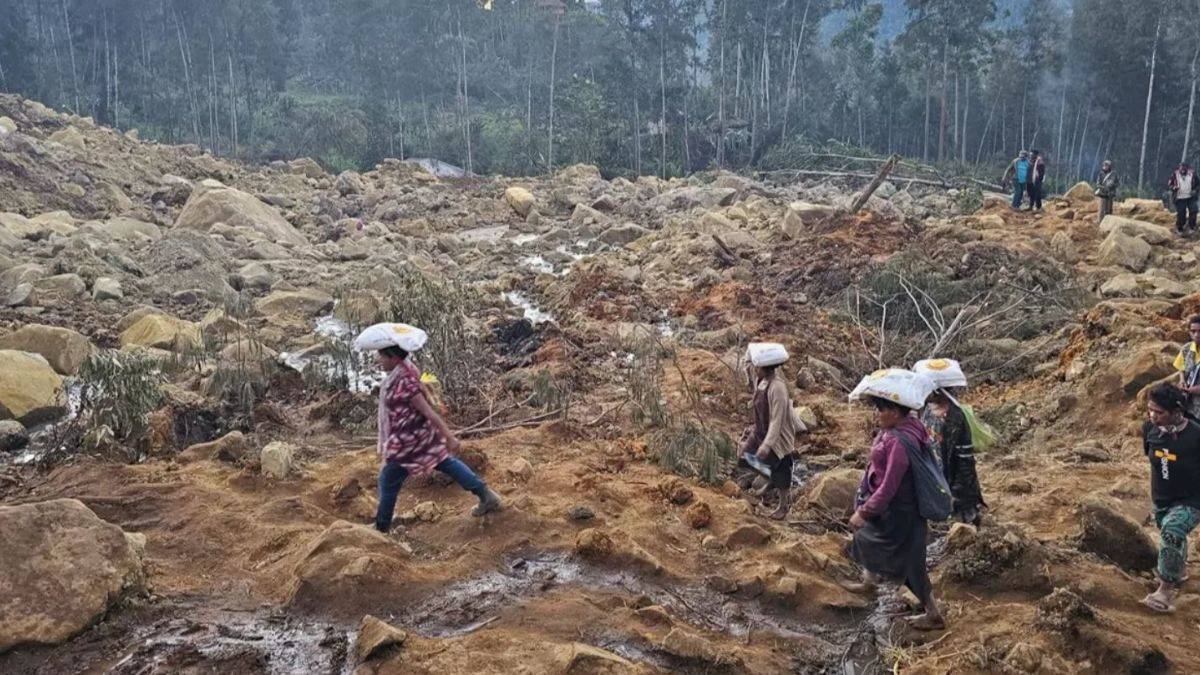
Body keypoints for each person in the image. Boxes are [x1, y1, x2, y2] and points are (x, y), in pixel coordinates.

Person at [363, 328, 502, 533]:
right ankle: (486, 495)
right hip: (420, 438)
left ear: (393, 357)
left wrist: (449, 436)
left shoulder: (405, 382)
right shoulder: (404, 372)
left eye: (382, 356)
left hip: (408, 444)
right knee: (446, 463)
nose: (378, 360)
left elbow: (429, 413)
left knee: (388, 479)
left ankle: (382, 528)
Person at [849, 395, 944, 630]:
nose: (877, 414)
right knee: (866, 537)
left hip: (902, 511)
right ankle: (870, 581)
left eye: (881, 410)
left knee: (911, 564)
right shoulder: (898, 429)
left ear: (894, 412)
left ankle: (933, 614)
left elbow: (890, 486)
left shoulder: (900, 443)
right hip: (891, 509)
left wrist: (865, 511)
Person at [1140, 383, 1200, 613]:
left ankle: (1164, 591)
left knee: (1172, 529)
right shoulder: (1149, 429)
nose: (1153, 416)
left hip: (1192, 499)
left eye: (1159, 412)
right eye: (1150, 410)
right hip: (1162, 498)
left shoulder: (1195, 435)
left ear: (1176, 412)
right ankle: (1177, 571)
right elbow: (1152, 457)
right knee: (1167, 530)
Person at [738, 344, 802, 520]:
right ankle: (768, 476)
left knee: (781, 470)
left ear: (764, 368)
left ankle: (783, 505)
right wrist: (753, 349)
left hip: (777, 436)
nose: (753, 369)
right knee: (745, 457)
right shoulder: (760, 379)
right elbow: (746, 362)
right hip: (760, 430)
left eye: (756, 366)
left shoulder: (777, 388)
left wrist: (767, 445)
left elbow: (777, 421)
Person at [921, 389, 983, 525]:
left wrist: (960, 488)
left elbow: (965, 459)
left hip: (954, 471)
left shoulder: (955, 416)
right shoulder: (927, 410)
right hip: (934, 469)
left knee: (961, 508)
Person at [1173, 315, 1200, 421]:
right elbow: (1181, 368)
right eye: (1193, 331)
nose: (1197, 335)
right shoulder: (1186, 349)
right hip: (1187, 404)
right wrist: (1182, 380)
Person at [1168, 163, 1199, 236]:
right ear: (1179, 169)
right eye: (1181, 169)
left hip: (1191, 197)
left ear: (1187, 169)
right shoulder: (1175, 175)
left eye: (1184, 169)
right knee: (1181, 214)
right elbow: (1170, 184)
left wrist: (1195, 191)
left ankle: (1192, 227)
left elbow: (1198, 184)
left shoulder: (1192, 174)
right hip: (1179, 197)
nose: (1182, 171)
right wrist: (1174, 188)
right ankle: (1180, 228)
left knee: (1194, 211)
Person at [1095, 160, 1119, 224]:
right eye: (1104, 165)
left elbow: (1116, 183)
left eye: (1106, 165)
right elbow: (1098, 183)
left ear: (1109, 166)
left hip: (1110, 194)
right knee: (1101, 209)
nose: (1105, 166)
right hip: (1102, 194)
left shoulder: (1114, 174)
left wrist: (1110, 186)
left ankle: (1108, 223)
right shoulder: (1101, 173)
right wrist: (1102, 187)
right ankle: (1100, 222)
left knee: (1109, 209)